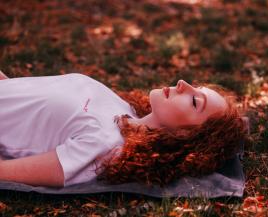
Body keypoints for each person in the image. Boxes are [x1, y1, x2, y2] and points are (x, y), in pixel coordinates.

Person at [0, 71, 249, 188]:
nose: (183, 84)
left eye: (195, 101)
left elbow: (44, 170)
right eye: (196, 87)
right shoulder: (122, 108)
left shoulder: (106, 145)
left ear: (185, 136)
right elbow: (24, 101)